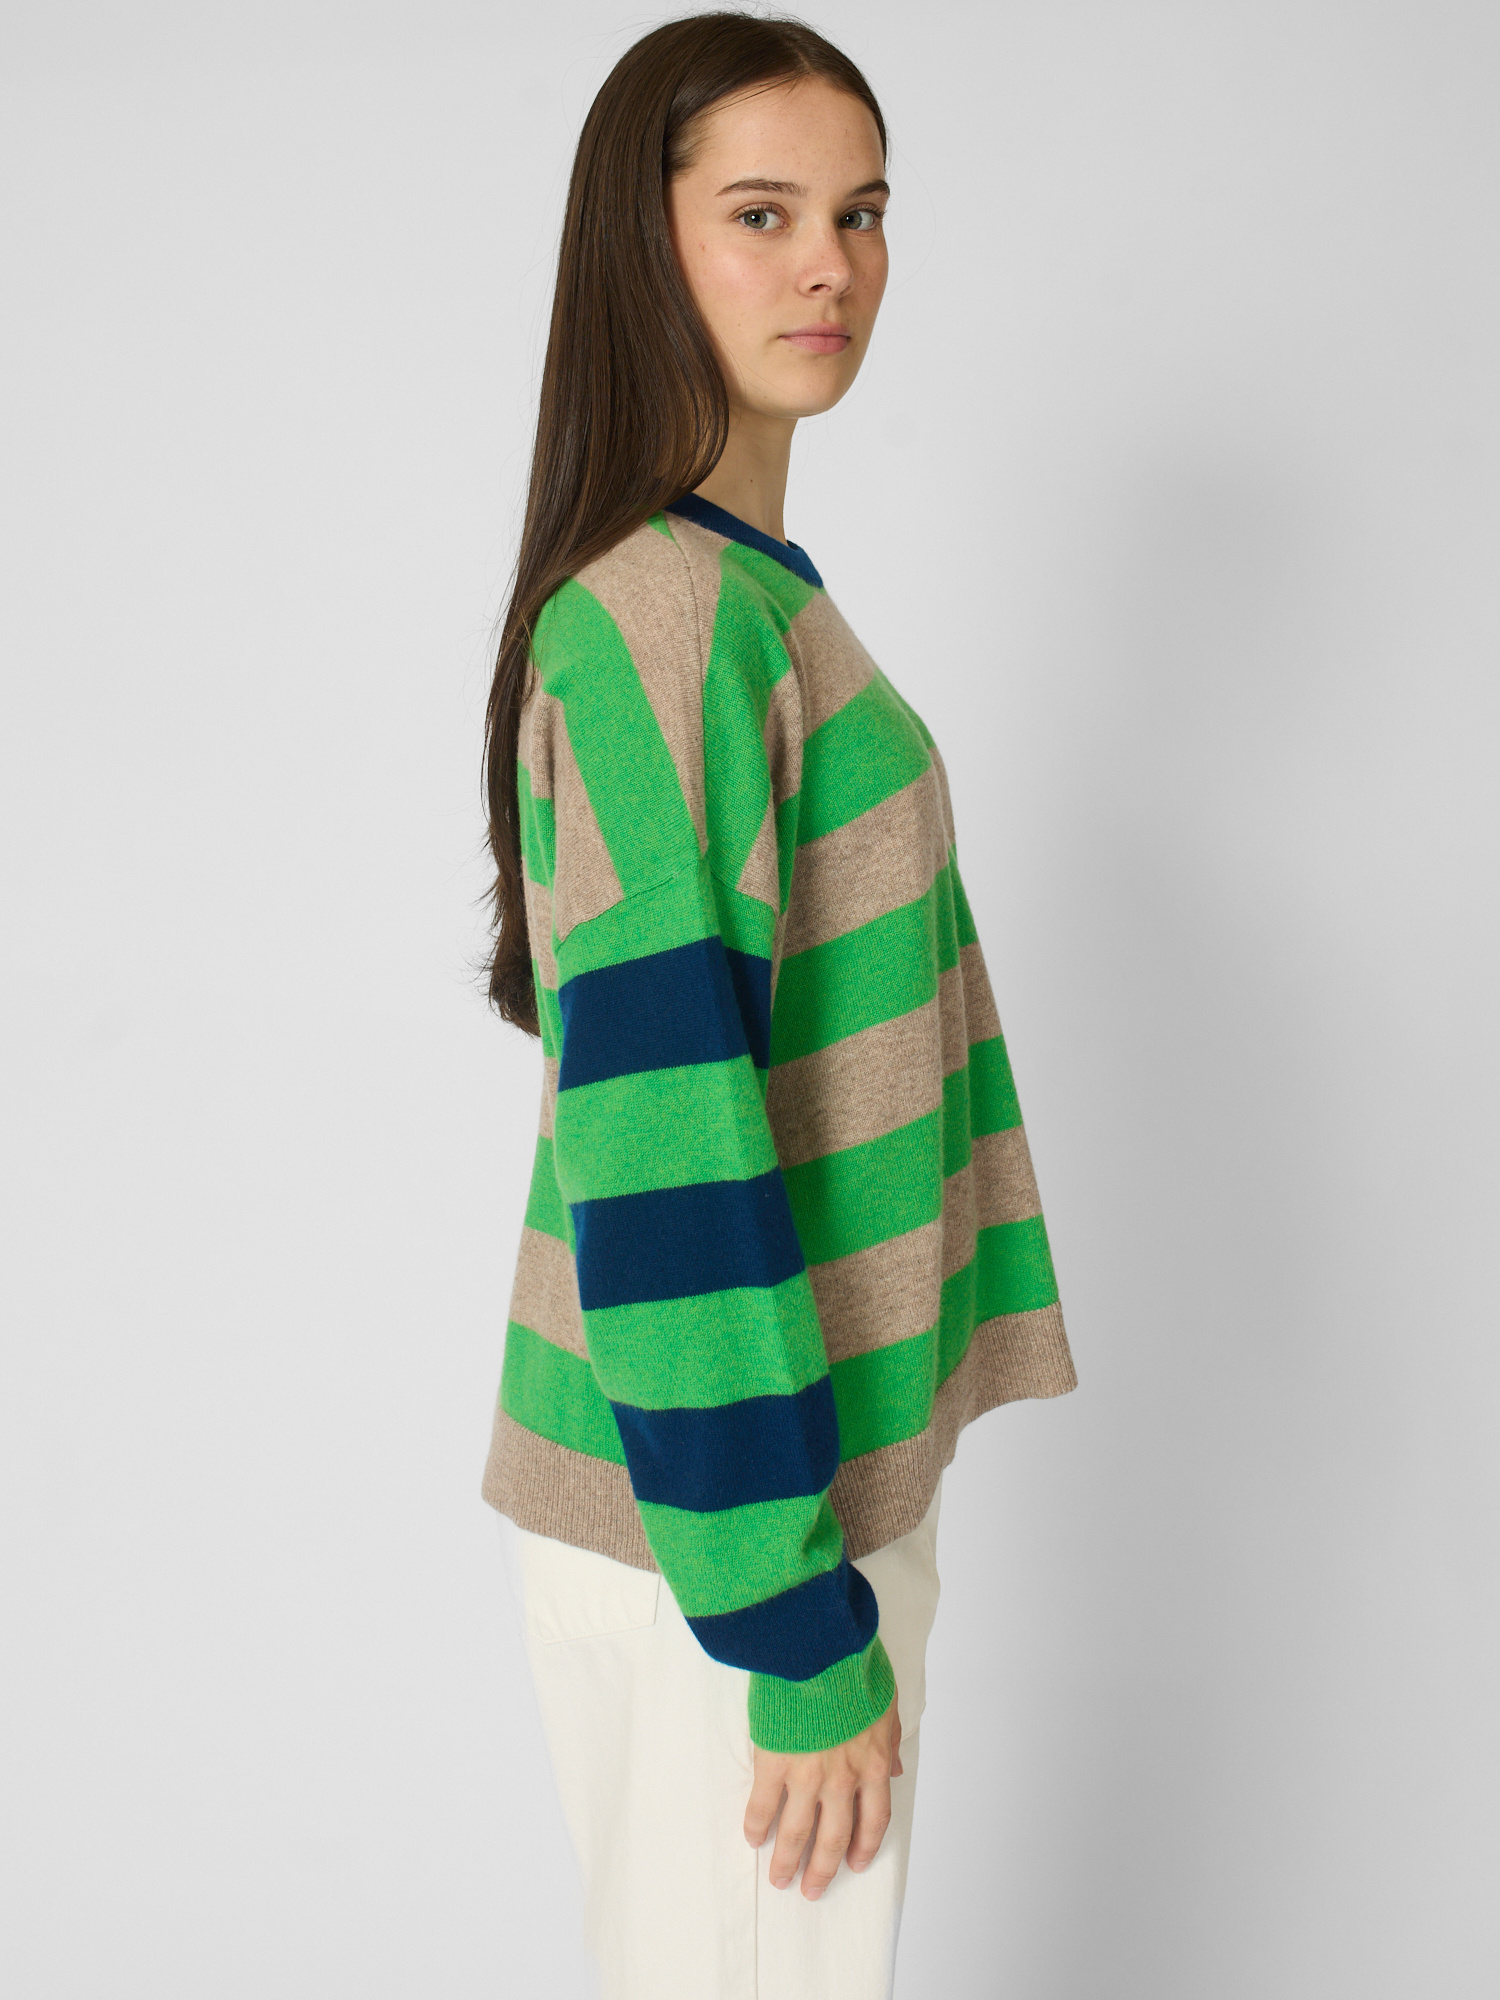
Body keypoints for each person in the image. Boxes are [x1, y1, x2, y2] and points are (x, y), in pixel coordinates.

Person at [479, 14, 1076, 1997]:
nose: (831, 264)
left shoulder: (741, 596)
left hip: (762, 1513)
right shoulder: (659, 618)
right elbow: (662, 1149)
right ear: (641, 242)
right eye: (763, 213)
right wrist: (793, 1624)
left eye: (862, 213)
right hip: (733, 1544)